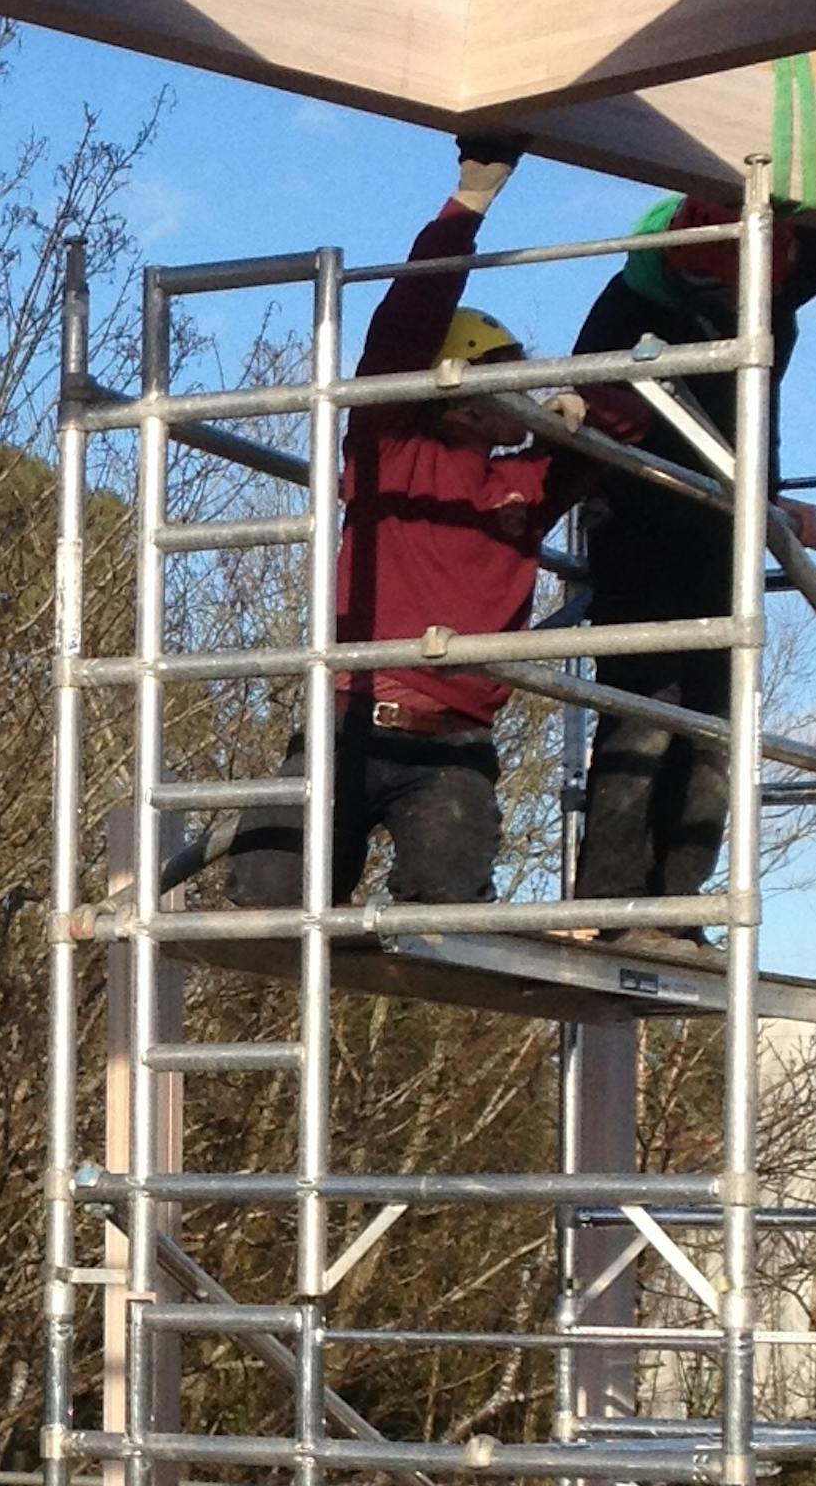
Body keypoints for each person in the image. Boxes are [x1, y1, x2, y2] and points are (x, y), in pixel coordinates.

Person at [217, 139, 564, 917]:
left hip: (454, 749)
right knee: (265, 902)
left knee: (443, 915)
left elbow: (629, 429)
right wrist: (466, 208)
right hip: (346, 720)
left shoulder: (529, 483)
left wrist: (582, 418)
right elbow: (407, 325)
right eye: (500, 371)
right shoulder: (391, 449)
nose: (518, 388)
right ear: (455, 385)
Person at [558, 183, 816, 915]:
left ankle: (679, 908)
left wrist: (772, 490)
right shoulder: (632, 301)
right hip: (637, 511)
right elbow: (597, 417)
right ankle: (606, 905)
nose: (736, 302)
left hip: (725, 516)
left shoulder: (779, 264)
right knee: (646, 704)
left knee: (718, 720)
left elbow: (750, 406)